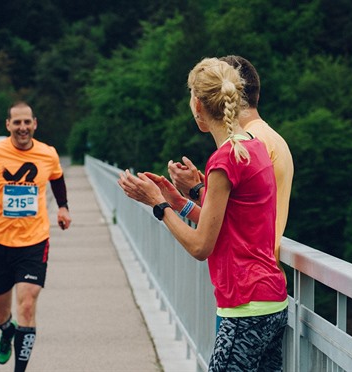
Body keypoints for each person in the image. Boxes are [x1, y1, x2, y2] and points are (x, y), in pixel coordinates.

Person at [118, 58, 288, 371]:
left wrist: (158, 205)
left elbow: (201, 246)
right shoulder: (253, 146)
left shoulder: (224, 160)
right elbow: (231, 223)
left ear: (198, 107)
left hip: (245, 304)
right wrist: (177, 199)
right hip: (271, 299)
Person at [0, 101, 71, 372]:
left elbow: (57, 177)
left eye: (27, 122)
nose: (22, 127)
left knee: (27, 305)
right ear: (8, 125)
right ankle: (6, 331)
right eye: (16, 122)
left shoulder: (47, 153)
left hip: (34, 241)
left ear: (35, 124)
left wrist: (63, 207)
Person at [167, 55, 294, 279]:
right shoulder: (261, 139)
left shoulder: (249, 146)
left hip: (247, 281)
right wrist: (185, 200)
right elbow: (237, 217)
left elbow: (209, 239)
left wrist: (171, 201)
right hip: (257, 280)